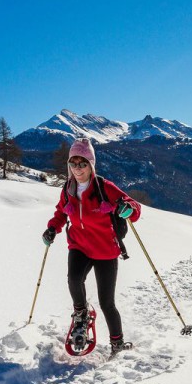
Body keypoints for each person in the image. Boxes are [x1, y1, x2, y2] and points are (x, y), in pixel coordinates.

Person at [42, 137, 141, 356]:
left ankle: (117, 343)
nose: (77, 168)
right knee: (74, 279)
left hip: (105, 250)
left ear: (91, 165)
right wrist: (52, 228)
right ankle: (81, 314)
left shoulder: (104, 187)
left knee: (107, 303)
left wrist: (128, 209)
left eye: (82, 163)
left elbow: (134, 207)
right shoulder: (68, 189)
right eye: (73, 163)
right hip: (79, 245)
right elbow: (61, 213)